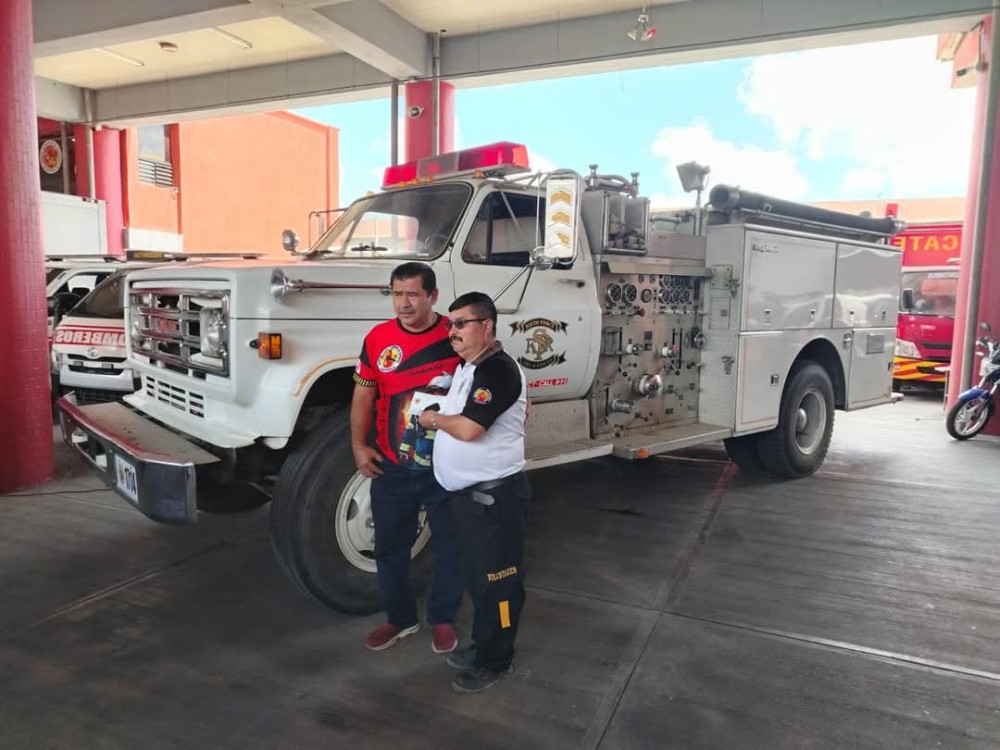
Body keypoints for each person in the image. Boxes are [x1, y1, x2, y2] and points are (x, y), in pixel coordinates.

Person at [417, 291, 531, 693]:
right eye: (450, 324)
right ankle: (485, 645)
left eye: (462, 323)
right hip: (470, 501)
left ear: (487, 326)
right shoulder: (469, 367)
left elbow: (469, 429)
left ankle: (497, 661)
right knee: (478, 581)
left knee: (499, 586)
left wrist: (432, 419)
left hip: (494, 503)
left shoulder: (497, 370)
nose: (453, 331)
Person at [351, 262, 463, 655]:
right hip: (392, 467)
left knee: (451, 546)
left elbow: (491, 377)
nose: (404, 303)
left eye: (413, 294)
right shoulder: (378, 339)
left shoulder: (456, 334)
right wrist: (358, 446)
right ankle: (399, 619)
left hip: (445, 468)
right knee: (389, 547)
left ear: (433, 296)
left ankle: (443, 619)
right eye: (397, 294)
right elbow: (363, 395)